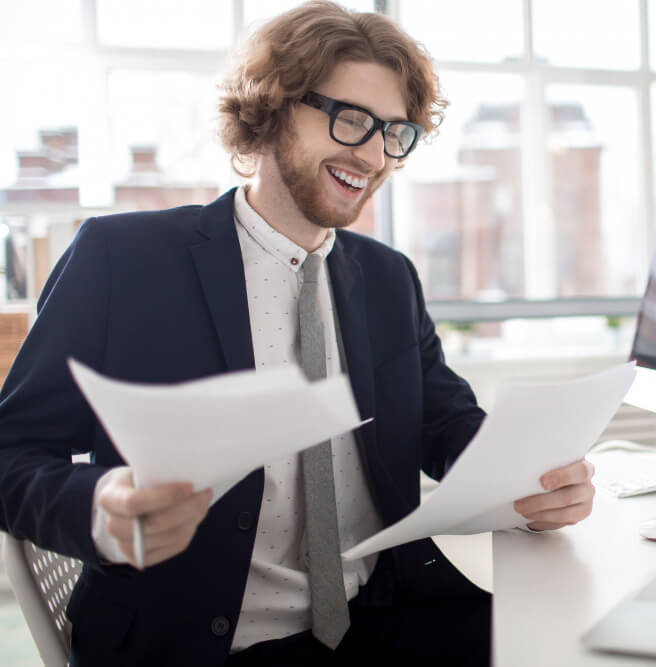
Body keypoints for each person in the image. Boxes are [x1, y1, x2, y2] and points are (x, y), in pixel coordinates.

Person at [0, 2, 598, 665]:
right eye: (352, 119)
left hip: (384, 611)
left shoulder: (387, 278)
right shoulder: (123, 260)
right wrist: (96, 505)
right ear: (272, 108)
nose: (374, 154)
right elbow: (11, 452)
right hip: (206, 644)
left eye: (395, 132)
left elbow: (442, 421)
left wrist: (529, 478)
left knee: (580, 640)